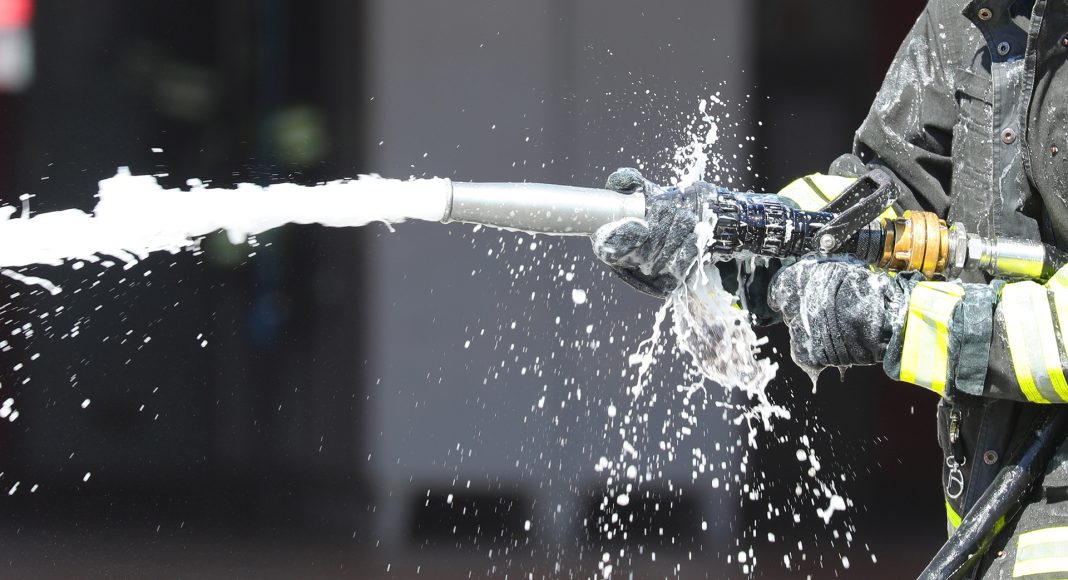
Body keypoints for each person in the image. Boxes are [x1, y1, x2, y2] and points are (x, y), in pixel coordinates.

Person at [593, 1, 1068, 577]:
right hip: (991, 530)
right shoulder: (964, 18)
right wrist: (731, 237)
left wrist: (895, 321)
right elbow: (883, 193)